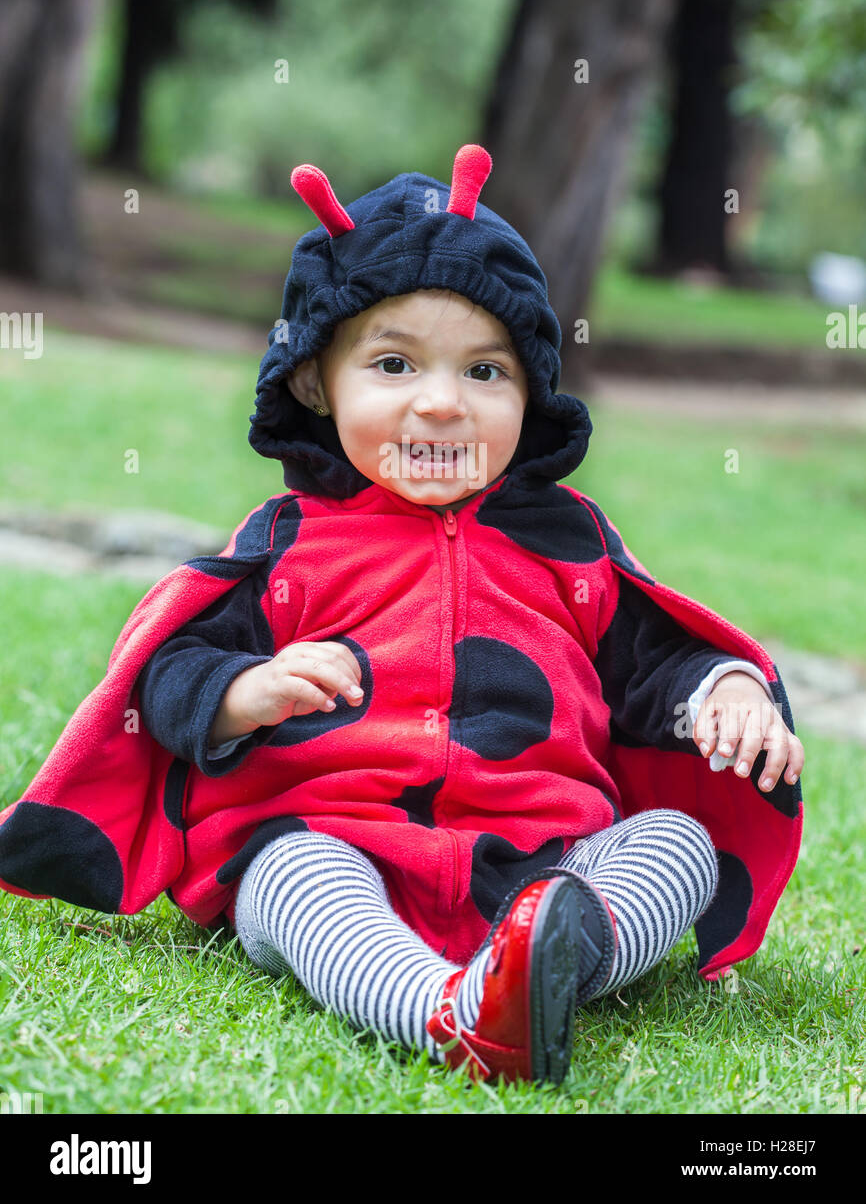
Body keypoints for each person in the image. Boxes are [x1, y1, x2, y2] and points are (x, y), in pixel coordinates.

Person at [0, 145, 803, 1086]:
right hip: (336, 842)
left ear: (531, 390)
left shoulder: (568, 543)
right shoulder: (289, 542)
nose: (440, 403)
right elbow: (170, 669)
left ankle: (548, 960)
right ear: (314, 382)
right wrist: (240, 692)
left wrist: (727, 685)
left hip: (544, 862)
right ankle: (443, 1010)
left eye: (486, 373)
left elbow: (658, 658)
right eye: (392, 363)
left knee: (680, 847)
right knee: (290, 883)